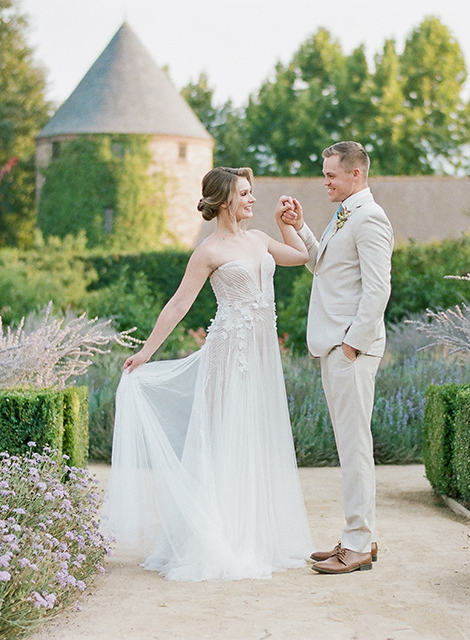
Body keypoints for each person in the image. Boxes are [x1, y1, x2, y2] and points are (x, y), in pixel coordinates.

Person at [101, 167, 315, 581]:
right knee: (225, 436)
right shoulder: (208, 251)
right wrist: (147, 351)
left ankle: (255, 535)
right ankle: (219, 539)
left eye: (253, 193)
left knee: (256, 435)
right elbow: (178, 305)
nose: (253, 199)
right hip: (228, 354)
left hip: (261, 354)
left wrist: (287, 226)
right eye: (246, 193)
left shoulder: (258, 239)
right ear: (224, 201)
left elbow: (301, 257)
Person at [280, 141, 394, 574]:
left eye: (330, 174)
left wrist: (352, 343)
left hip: (351, 349)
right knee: (349, 445)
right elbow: (320, 264)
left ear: (355, 175)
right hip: (337, 346)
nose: (324, 180)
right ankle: (356, 537)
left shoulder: (370, 218)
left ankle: (359, 544)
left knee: (354, 446)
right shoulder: (345, 214)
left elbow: (378, 288)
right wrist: (301, 226)